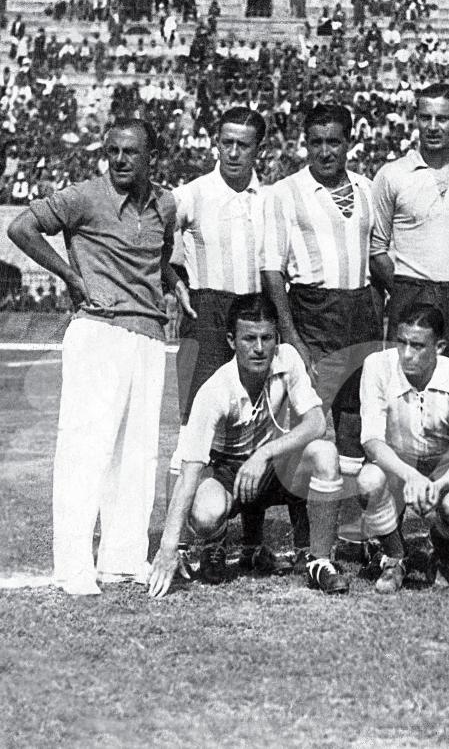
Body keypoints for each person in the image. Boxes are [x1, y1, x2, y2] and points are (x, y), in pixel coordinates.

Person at [7, 118, 191, 595]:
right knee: (85, 451)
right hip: (98, 333)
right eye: (113, 150)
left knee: (138, 454)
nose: (120, 159)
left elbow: (160, 255)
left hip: (149, 335)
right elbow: (20, 228)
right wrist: (71, 276)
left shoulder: (166, 204)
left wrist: (172, 282)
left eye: (131, 151)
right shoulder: (84, 196)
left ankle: (123, 558)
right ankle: (72, 566)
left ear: (152, 156)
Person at [147, 294, 351, 597]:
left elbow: (317, 423)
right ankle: (216, 543)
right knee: (205, 513)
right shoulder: (215, 391)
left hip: (271, 467)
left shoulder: (288, 359)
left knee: (325, 453)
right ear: (232, 341)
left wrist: (265, 453)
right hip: (227, 473)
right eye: (249, 339)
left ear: (277, 338)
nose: (258, 348)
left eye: (266, 338)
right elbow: (188, 472)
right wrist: (169, 548)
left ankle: (318, 561)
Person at [169, 107, 300, 575]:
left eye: (243, 144)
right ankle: (188, 543)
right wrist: (174, 280)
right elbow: (155, 232)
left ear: (258, 148)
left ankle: (251, 542)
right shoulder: (193, 193)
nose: (233, 151)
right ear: (215, 142)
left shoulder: (270, 198)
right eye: (226, 141)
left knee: (259, 425)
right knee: (195, 429)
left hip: (252, 314)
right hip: (206, 315)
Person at [262, 103, 385, 467]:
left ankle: (347, 521)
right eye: (316, 142)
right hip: (311, 312)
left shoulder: (366, 188)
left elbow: (375, 257)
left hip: (360, 313)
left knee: (356, 423)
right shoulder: (286, 192)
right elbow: (272, 270)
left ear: (349, 143)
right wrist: (293, 337)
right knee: (309, 424)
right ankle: (307, 524)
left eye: (333, 142)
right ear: (305, 144)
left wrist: (376, 311)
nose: (324, 151)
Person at [374, 83, 449, 387]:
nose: (432, 127)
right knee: (402, 388)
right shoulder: (392, 174)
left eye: (442, 118)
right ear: (415, 119)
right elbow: (376, 250)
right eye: (425, 117)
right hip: (410, 292)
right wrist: (410, 284)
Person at [356, 303, 449, 594]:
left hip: (445, 469)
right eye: (401, 342)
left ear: (439, 346)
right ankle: (395, 557)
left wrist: (437, 485)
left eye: (417, 345)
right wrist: (411, 476)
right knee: (367, 481)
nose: (407, 353)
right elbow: (372, 441)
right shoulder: (376, 366)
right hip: (396, 463)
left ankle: (442, 548)